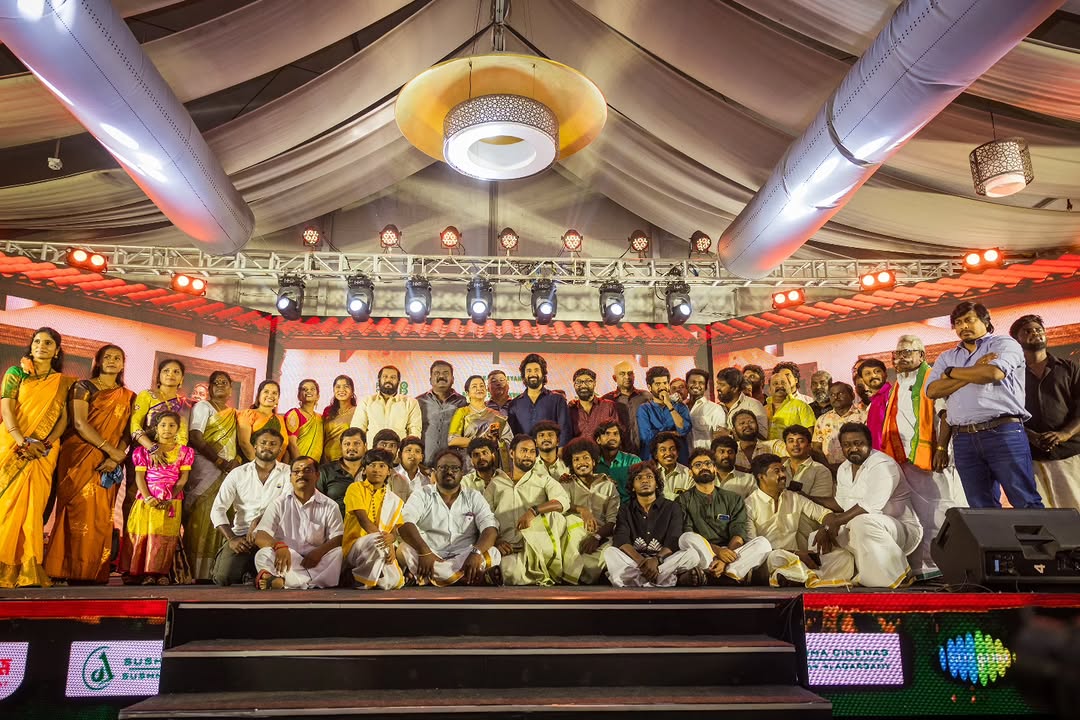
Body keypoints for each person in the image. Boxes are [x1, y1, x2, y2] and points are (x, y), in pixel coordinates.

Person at [927, 301, 1042, 508]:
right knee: (981, 508)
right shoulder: (947, 356)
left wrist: (951, 373)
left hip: (1003, 431)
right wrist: (974, 370)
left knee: (1025, 501)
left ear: (986, 322)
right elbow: (932, 391)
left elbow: (993, 373)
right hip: (963, 438)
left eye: (969, 320)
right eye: (958, 323)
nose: (963, 326)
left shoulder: (1003, 344)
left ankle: (1038, 533)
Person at [45, 344, 133, 584]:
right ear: (98, 362)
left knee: (100, 516)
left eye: (117, 357)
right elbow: (80, 424)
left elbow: (127, 431)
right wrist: (110, 450)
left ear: (123, 364)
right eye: (107, 357)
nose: (112, 361)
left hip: (109, 462)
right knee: (75, 511)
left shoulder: (128, 396)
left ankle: (92, 571)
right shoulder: (83, 387)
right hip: (79, 455)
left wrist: (115, 456)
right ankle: (63, 569)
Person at [882, 335, 966, 579]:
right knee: (914, 515)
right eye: (898, 353)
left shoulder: (932, 378)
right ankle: (921, 567)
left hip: (932, 459)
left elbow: (945, 415)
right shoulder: (897, 384)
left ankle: (943, 565)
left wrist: (941, 449)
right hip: (904, 460)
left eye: (908, 352)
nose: (902, 357)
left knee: (937, 512)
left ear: (922, 355)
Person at [0, 328, 75, 587]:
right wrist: (22, 441)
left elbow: (64, 419)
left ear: (57, 351)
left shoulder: (64, 382)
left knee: (34, 508)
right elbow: (7, 409)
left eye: (48, 343)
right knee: (6, 505)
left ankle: (28, 567)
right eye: (37, 342)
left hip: (44, 451)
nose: (41, 346)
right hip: (12, 444)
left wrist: (46, 443)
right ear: (31, 346)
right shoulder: (15, 373)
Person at [816, 423, 923, 588]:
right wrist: (807, 498)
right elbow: (841, 503)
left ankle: (898, 575)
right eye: (847, 445)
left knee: (862, 522)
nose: (853, 449)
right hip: (859, 526)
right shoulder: (844, 468)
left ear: (870, 443)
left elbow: (869, 507)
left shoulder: (883, 464)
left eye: (858, 443)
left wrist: (833, 523)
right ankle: (850, 573)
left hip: (898, 530)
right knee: (816, 538)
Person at [744, 454, 852, 588]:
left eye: (783, 470)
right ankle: (803, 576)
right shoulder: (749, 505)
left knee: (844, 557)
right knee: (777, 557)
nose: (783, 475)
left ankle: (798, 577)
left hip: (800, 559)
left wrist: (825, 529)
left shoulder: (794, 498)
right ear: (761, 477)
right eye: (777, 471)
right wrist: (794, 554)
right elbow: (753, 547)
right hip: (768, 560)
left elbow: (825, 514)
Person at [399, 448, 502, 586]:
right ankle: (469, 577)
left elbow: (490, 527)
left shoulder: (473, 496)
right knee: (404, 549)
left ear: (462, 473)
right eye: (443, 468)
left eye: (455, 468)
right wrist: (424, 552)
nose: (449, 472)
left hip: (465, 555)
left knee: (493, 552)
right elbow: (405, 523)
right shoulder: (422, 494)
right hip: (430, 554)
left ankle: (432, 577)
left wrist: (476, 553)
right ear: (434, 472)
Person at [603, 462, 711, 587]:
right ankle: (669, 580)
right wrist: (642, 562)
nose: (645, 481)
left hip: (664, 560)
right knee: (610, 552)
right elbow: (621, 539)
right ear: (632, 486)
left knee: (692, 555)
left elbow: (673, 539)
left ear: (657, 484)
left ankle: (639, 580)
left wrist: (656, 560)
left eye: (649, 477)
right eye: (639, 478)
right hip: (636, 562)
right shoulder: (625, 509)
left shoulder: (672, 507)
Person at [1011, 314, 1080, 509]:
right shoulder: (1011, 375)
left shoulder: (1069, 368)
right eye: (1028, 331)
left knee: (1075, 506)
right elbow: (1007, 413)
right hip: (1031, 456)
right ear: (1017, 341)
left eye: (1038, 330)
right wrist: (1031, 436)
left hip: (1070, 453)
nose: (1035, 333)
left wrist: (1064, 434)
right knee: (1044, 513)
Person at [209, 427, 292, 586]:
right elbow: (218, 509)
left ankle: (255, 573)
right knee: (223, 578)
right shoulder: (238, 473)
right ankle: (248, 571)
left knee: (284, 573)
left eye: (273, 444)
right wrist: (232, 539)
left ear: (280, 449)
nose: (267, 447)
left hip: (274, 535)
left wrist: (258, 522)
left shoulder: (288, 473)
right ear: (255, 446)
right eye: (263, 443)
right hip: (242, 535)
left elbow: (287, 505)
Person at [484, 434, 569, 585]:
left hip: (534, 545)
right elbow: (484, 516)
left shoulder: (543, 479)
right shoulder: (496, 483)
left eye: (532, 451)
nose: (528, 455)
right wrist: (496, 540)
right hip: (506, 546)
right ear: (512, 453)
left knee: (557, 517)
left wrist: (534, 511)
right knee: (508, 571)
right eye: (523, 451)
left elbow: (562, 501)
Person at [121, 411, 193, 585]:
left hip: (171, 502)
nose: (167, 429)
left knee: (164, 538)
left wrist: (170, 497)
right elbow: (139, 478)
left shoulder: (185, 452)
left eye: (172, 425)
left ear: (178, 429)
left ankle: (160, 573)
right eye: (163, 425)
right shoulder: (142, 451)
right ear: (155, 428)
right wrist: (148, 497)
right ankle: (143, 573)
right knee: (144, 536)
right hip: (147, 500)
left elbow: (183, 479)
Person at [677, 449, 771, 583]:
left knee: (763, 544)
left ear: (715, 469)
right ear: (690, 473)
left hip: (730, 552)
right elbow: (688, 533)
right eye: (698, 465)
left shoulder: (733, 498)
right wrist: (718, 552)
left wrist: (723, 560)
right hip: (702, 551)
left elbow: (738, 534)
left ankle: (720, 573)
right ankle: (728, 574)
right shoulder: (683, 500)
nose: (704, 467)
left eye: (708, 464)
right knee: (686, 537)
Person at [183, 370, 240, 581]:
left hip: (228, 472)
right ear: (210, 388)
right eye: (216, 383)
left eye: (225, 383)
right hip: (206, 467)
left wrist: (234, 462)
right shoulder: (203, 407)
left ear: (231, 389)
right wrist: (219, 461)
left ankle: (216, 570)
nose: (221, 385)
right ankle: (194, 571)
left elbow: (236, 443)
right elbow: (195, 437)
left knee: (224, 514)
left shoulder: (234, 414)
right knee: (202, 514)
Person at [252, 456, 343, 590]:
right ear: (290, 477)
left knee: (338, 553)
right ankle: (309, 582)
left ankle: (285, 581)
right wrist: (279, 546)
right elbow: (261, 535)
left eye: (307, 470)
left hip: (317, 562)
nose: (301, 474)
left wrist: (319, 552)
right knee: (263, 554)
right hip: (289, 559)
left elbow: (338, 538)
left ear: (317, 475)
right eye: (296, 471)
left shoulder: (330, 505)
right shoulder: (278, 504)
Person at [126, 358, 188, 520]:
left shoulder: (184, 405)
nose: (171, 374)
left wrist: (173, 456)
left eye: (176, 372)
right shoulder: (147, 395)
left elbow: (183, 435)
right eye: (166, 371)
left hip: (171, 460)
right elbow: (134, 424)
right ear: (159, 375)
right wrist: (152, 448)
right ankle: (131, 535)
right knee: (136, 497)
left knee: (165, 499)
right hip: (144, 455)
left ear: (182, 378)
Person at [558, 438, 619, 584]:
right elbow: (561, 505)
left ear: (594, 461)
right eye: (576, 460)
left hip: (601, 535)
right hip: (573, 536)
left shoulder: (608, 486)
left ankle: (574, 575)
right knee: (570, 520)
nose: (581, 463)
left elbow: (612, 520)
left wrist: (596, 537)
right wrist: (582, 510)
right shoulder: (567, 484)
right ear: (571, 464)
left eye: (585, 458)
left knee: (607, 554)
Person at [343, 449, 405, 589]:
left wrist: (391, 539)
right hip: (355, 547)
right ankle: (359, 577)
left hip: (381, 545)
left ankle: (355, 576)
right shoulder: (355, 488)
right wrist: (387, 544)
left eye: (382, 466)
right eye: (372, 465)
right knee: (376, 540)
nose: (377, 470)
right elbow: (363, 520)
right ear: (364, 470)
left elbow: (394, 529)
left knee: (393, 581)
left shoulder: (393, 499)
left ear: (389, 472)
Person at [782, 425, 834, 550]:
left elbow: (820, 504)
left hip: (808, 518)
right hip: (781, 514)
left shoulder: (820, 470)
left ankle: (797, 557)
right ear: (786, 446)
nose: (795, 445)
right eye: (791, 441)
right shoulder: (779, 469)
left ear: (809, 445)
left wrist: (801, 497)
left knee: (794, 522)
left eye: (800, 441)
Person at [448, 374, 512, 469]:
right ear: (467, 393)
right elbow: (452, 440)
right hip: (469, 466)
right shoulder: (461, 412)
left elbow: (508, 441)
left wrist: (495, 442)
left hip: (492, 465)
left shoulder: (497, 416)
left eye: (482, 386)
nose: (479, 388)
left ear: (486, 390)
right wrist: (479, 442)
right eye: (474, 386)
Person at [507, 353, 572, 441]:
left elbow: (565, 430)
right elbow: (512, 435)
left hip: (551, 449)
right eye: (529, 371)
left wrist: (561, 448)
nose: (533, 374)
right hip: (524, 449)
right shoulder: (514, 404)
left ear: (543, 374)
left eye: (536, 370)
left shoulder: (557, 400)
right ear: (523, 375)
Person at [351, 365, 422, 442]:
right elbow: (357, 430)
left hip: (398, 449)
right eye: (385, 376)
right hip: (372, 449)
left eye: (393, 377)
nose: (388, 380)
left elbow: (414, 431)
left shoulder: (410, 403)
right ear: (379, 379)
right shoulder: (366, 402)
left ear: (398, 381)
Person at [637, 366, 692, 465]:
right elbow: (647, 437)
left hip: (679, 462)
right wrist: (673, 433)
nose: (662, 387)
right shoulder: (644, 409)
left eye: (665, 383)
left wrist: (669, 405)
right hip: (653, 464)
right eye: (658, 384)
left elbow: (684, 430)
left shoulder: (680, 406)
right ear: (649, 387)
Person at [416, 361, 467, 466]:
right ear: (430, 379)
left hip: (453, 465)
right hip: (424, 464)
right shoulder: (418, 401)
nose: (441, 376)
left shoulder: (463, 402)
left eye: (446, 373)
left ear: (453, 379)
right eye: (437, 373)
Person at [812, 382, 867, 471]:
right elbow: (816, 448)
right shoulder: (822, 420)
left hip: (859, 468)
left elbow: (869, 445)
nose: (836, 397)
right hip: (829, 470)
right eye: (832, 395)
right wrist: (829, 467)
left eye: (840, 393)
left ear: (852, 395)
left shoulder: (864, 417)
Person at [601, 360, 652, 455]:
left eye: (630, 373)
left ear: (634, 376)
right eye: (622, 374)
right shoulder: (606, 400)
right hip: (619, 454)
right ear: (614, 378)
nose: (627, 377)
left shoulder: (646, 397)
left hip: (646, 451)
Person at [317, 427, 365, 519]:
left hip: (365, 525)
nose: (351, 447)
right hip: (334, 524)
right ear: (341, 447)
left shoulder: (372, 471)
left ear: (365, 446)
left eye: (356, 443)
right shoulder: (325, 471)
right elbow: (316, 503)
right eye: (347, 444)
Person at [237, 380, 288, 462]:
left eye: (274, 393)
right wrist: (260, 465)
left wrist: (277, 467)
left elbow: (284, 446)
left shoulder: (280, 419)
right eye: (266, 392)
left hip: (275, 466)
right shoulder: (248, 414)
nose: (270, 395)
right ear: (259, 395)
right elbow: (244, 443)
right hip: (251, 464)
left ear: (278, 398)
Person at [568, 368, 621, 444]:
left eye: (588, 381)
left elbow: (616, 433)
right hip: (577, 451)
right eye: (579, 382)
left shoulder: (608, 406)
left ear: (594, 383)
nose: (583, 385)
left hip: (603, 451)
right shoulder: (570, 409)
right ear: (574, 385)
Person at [594, 421, 640, 504]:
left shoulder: (633, 461)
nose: (612, 437)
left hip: (629, 507)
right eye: (607, 434)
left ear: (620, 439)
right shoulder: (592, 463)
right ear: (598, 440)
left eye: (616, 434)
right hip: (600, 507)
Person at [716, 367, 769, 439]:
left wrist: (730, 434)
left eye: (722, 385)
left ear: (735, 388)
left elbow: (762, 435)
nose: (717, 388)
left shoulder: (753, 405)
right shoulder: (716, 408)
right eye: (717, 384)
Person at [766, 372, 815, 442]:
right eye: (775, 383)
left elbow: (810, 435)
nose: (780, 386)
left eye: (783, 383)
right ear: (769, 390)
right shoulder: (763, 409)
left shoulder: (801, 406)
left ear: (789, 387)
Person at [685, 368, 725, 449]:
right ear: (686, 385)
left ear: (705, 387)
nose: (696, 385)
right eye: (693, 382)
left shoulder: (715, 409)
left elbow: (720, 439)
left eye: (701, 383)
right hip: (683, 456)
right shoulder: (680, 407)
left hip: (706, 455)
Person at [285, 379, 323, 462]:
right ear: (299, 396)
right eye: (304, 389)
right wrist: (301, 465)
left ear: (318, 396)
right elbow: (292, 444)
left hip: (315, 466)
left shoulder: (320, 418)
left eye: (312, 389)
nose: (308, 391)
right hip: (297, 464)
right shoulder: (294, 414)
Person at [322, 375, 357, 463]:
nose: (341, 390)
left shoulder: (357, 411)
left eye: (346, 386)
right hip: (326, 459)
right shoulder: (328, 411)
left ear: (352, 391)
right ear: (334, 390)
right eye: (338, 387)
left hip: (348, 459)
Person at [857, 359, 891, 449]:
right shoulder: (872, 403)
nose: (873, 375)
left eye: (877, 371)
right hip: (877, 453)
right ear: (862, 380)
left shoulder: (892, 394)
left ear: (885, 374)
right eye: (867, 374)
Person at [652, 431, 693, 499]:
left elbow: (690, 501)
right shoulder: (650, 473)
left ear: (678, 453)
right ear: (655, 455)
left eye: (672, 449)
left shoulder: (687, 474)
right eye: (663, 450)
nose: (668, 453)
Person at [394, 436, 431, 501]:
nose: (412, 454)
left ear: (421, 457)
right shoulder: (392, 474)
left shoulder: (427, 480)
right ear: (400, 455)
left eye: (417, 451)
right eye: (408, 450)